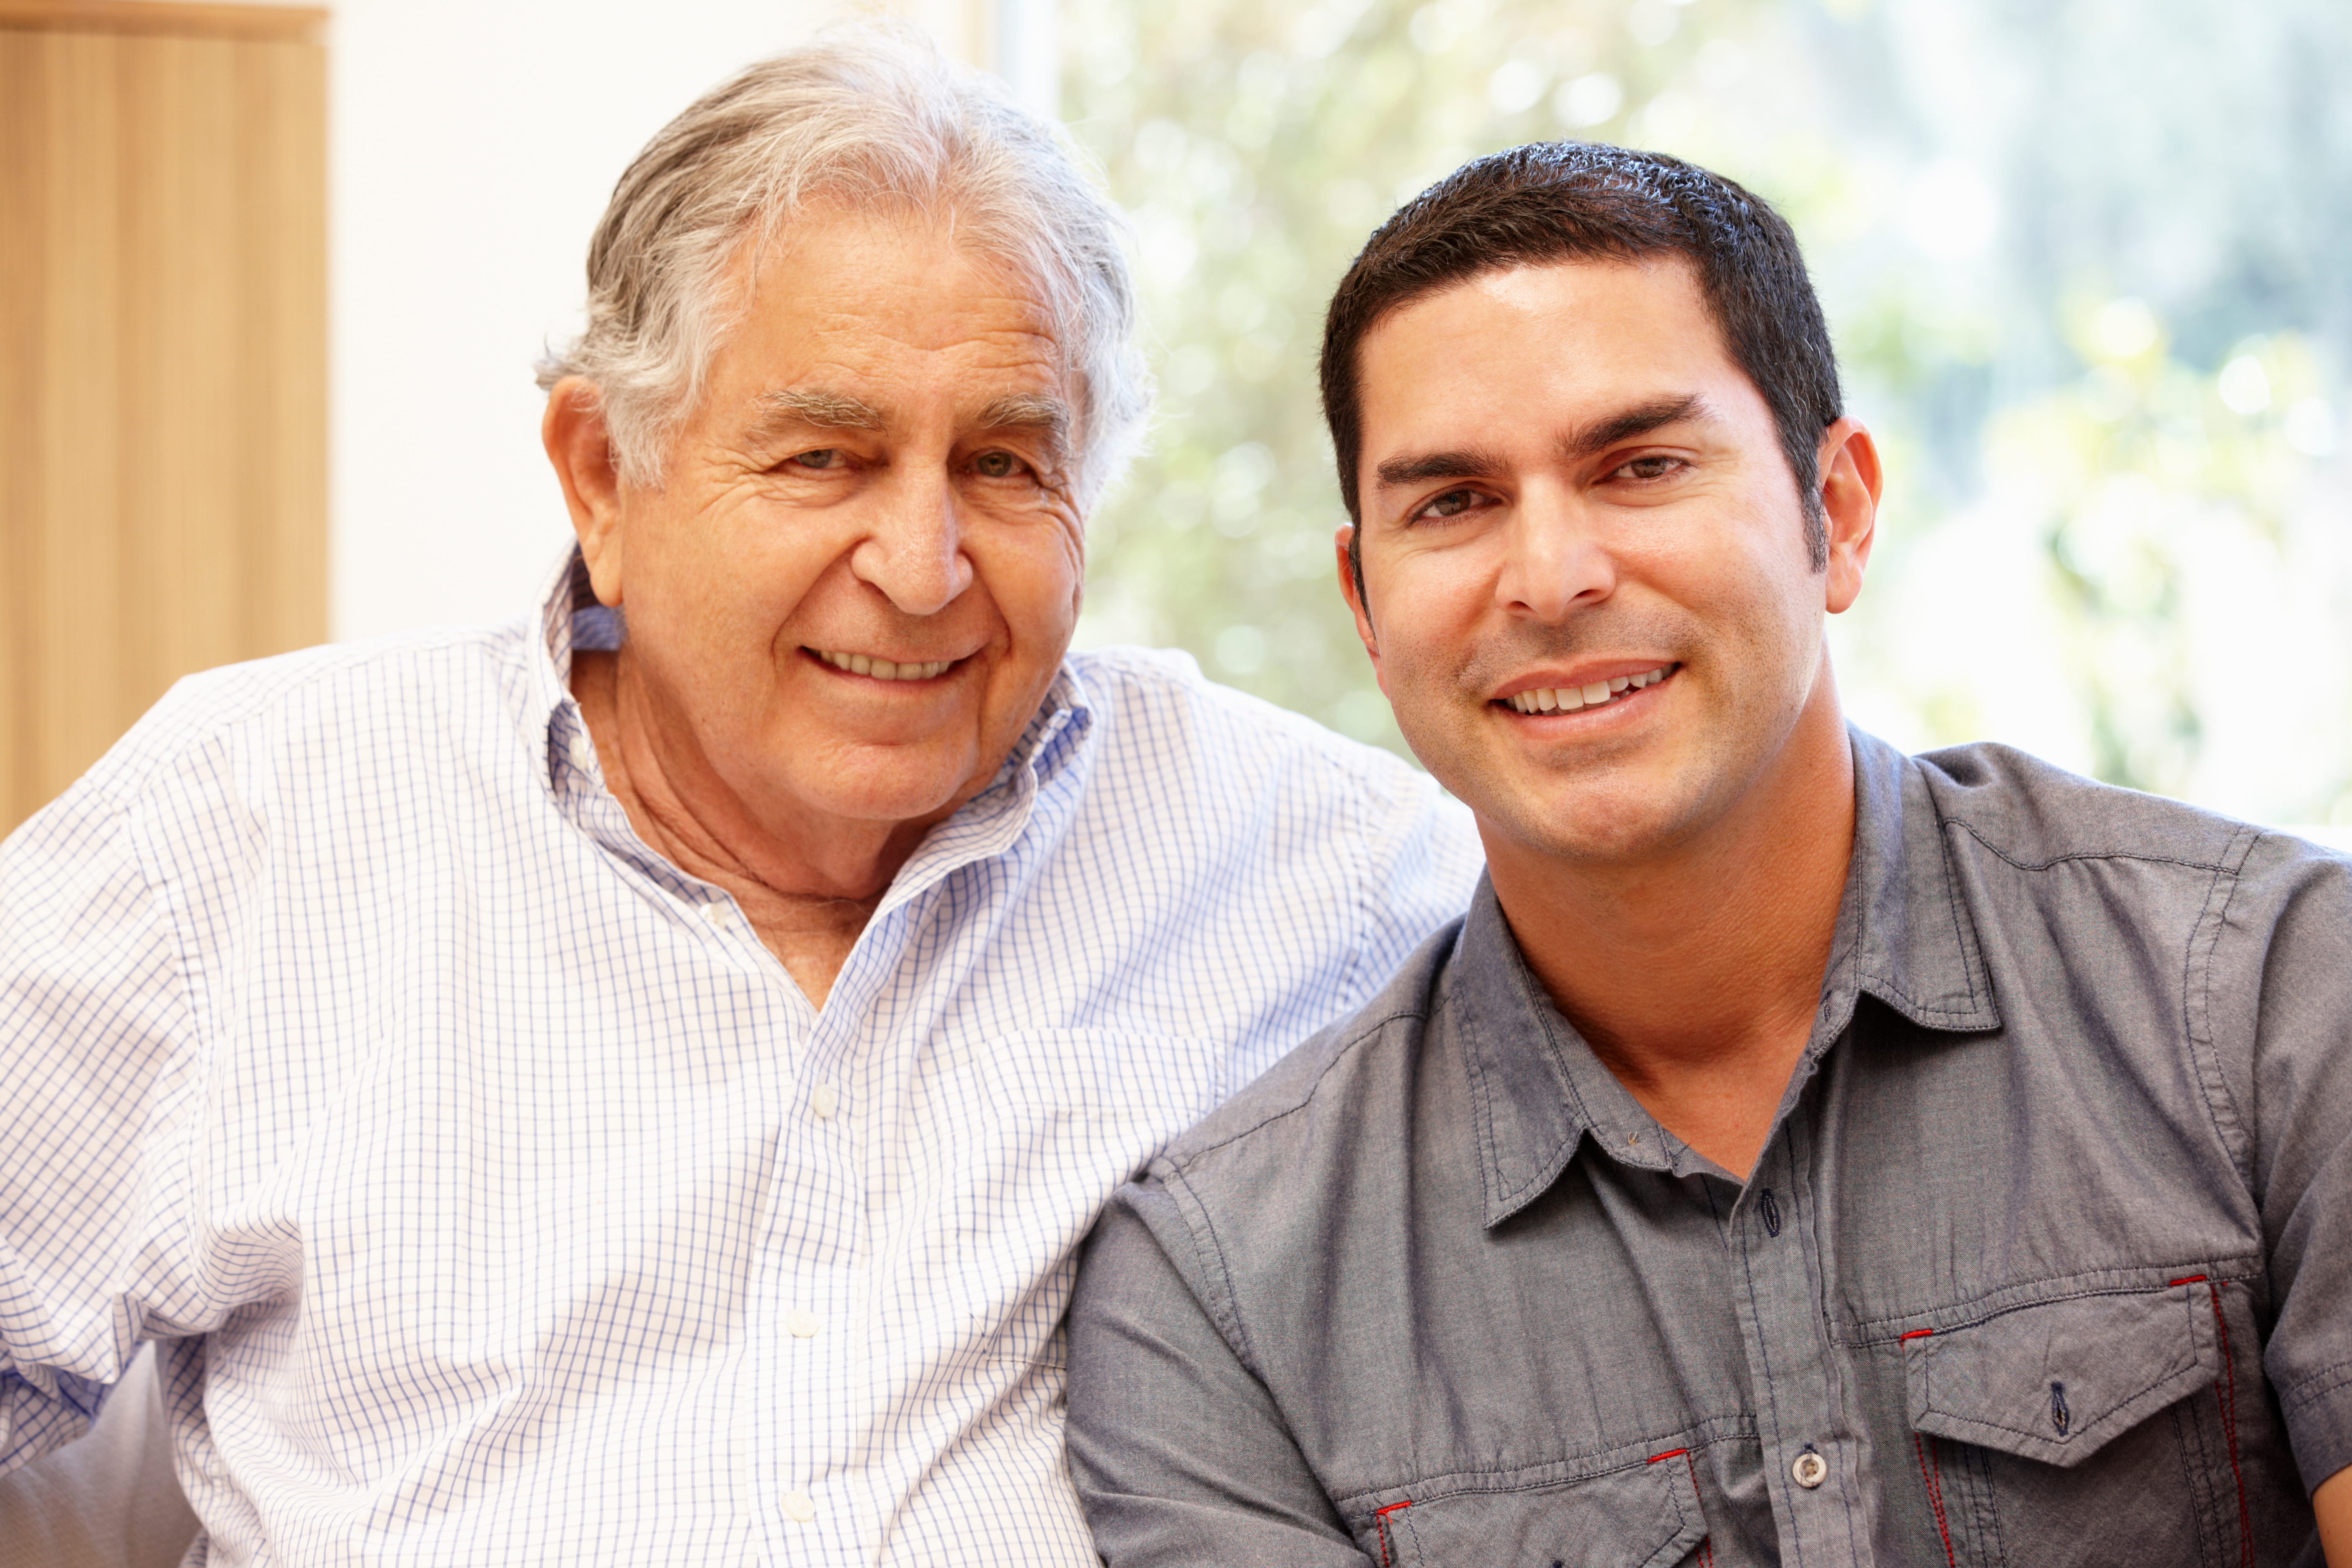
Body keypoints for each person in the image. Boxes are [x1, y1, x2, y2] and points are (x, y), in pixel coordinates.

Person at [0, 31, 1483, 1564]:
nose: (922, 569)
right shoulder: (247, 826)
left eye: (1003, 465)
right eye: (825, 458)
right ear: (601, 474)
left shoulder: (1313, 863)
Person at [1065, 142, 2352, 1565]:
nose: (1552, 579)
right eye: (1453, 503)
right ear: (1366, 604)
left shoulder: (2273, 1001)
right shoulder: (1219, 1296)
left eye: (1643, 467)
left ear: (1836, 513)